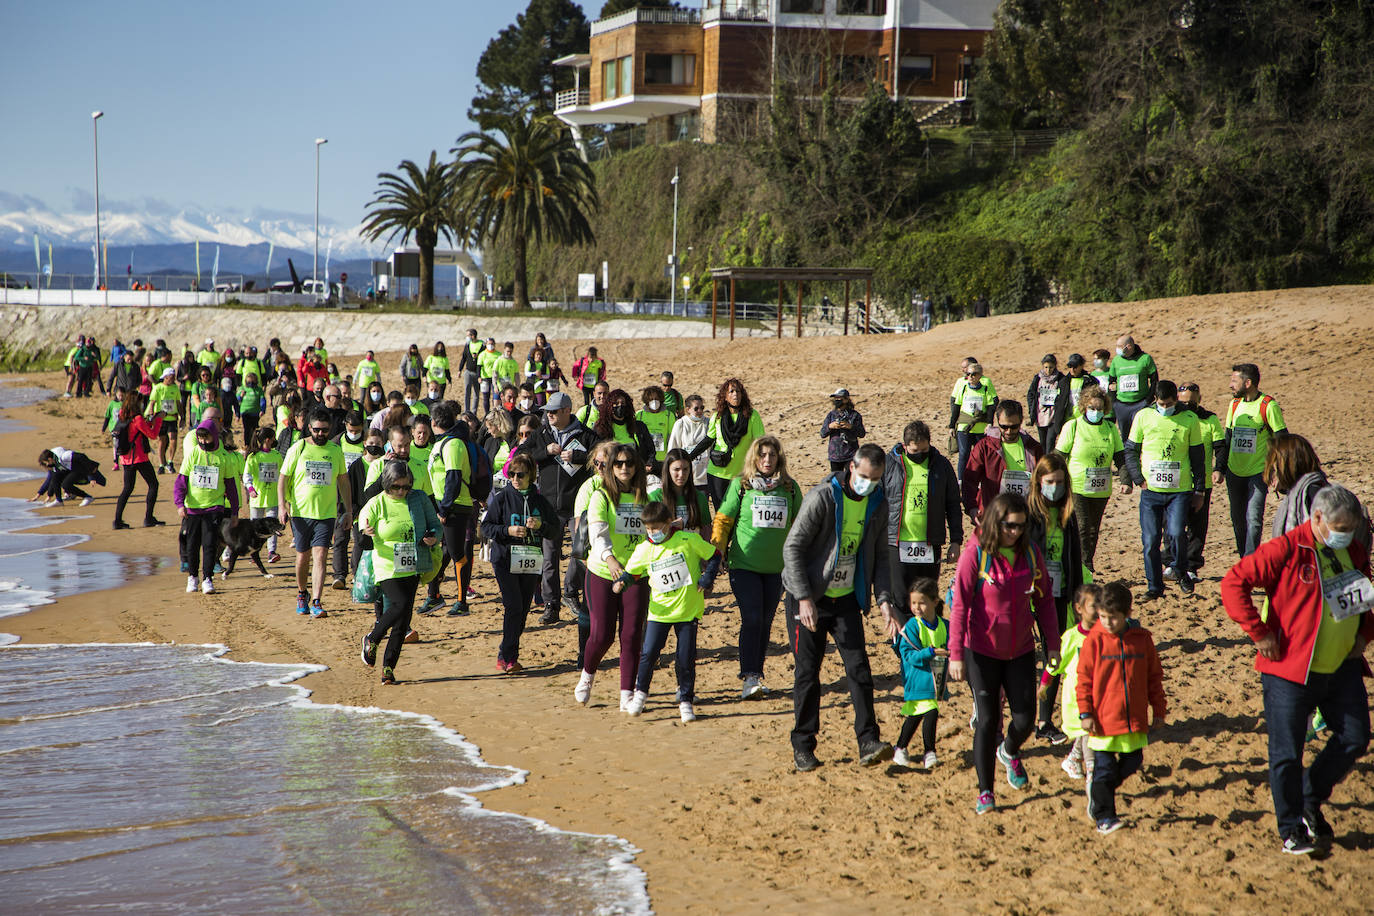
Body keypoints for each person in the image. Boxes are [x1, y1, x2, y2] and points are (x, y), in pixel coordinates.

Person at [1221, 484, 1373, 855]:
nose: (1346, 533)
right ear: (1317, 518)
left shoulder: (1352, 549)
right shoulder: (1286, 549)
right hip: (1290, 672)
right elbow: (1233, 583)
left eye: (1352, 527)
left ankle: (1310, 795)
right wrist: (1258, 633)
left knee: (1355, 737)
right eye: (1340, 525)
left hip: (1342, 667)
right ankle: (1290, 828)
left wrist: (1365, 635)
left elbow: (1363, 594)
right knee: (1287, 753)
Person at [782, 442, 897, 772]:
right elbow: (792, 549)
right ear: (851, 468)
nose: (868, 484)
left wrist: (885, 601)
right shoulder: (822, 498)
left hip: (845, 598)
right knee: (808, 674)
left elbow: (880, 558)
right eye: (863, 476)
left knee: (859, 670)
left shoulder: (877, 503)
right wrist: (804, 598)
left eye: (875, 479)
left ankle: (868, 740)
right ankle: (803, 745)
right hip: (809, 599)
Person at [948, 492, 1059, 814]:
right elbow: (959, 607)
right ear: (997, 522)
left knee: (1024, 719)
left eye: (1022, 526)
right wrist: (955, 653)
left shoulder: (1030, 553)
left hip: (1021, 649)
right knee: (987, 720)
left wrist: (1052, 643)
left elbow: (1045, 601)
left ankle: (1009, 751)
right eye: (1010, 525)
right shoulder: (975, 554)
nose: (1015, 531)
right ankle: (986, 792)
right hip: (980, 650)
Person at [710, 436, 803, 699]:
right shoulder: (741, 486)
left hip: (776, 569)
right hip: (744, 566)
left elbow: (801, 527)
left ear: (779, 459)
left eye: (772, 455)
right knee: (751, 618)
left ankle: (757, 675)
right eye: (762, 455)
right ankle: (749, 676)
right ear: (754, 457)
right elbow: (723, 521)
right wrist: (717, 554)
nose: (767, 460)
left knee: (764, 621)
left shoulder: (790, 488)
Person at [1077, 582, 1167, 834]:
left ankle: (1099, 795)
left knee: (1133, 760)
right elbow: (1083, 680)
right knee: (1104, 770)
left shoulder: (1142, 640)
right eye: (1102, 617)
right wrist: (1085, 713)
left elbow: (1154, 678)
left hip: (1133, 721)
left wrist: (1159, 710)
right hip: (1103, 722)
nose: (1106, 623)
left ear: (1127, 614)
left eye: (1112, 618)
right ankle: (1105, 816)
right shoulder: (1094, 641)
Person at [620, 500, 718, 722]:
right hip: (659, 613)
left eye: (656, 528)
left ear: (668, 523)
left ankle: (685, 701)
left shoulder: (688, 540)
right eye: (648, 528)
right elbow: (631, 573)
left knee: (685, 658)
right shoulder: (644, 549)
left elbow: (715, 555)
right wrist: (621, 583)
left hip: (688, 610)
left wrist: (707, 577)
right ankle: (640, 696)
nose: (652, 533)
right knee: (648, 654)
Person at [576, 442, 655, 711]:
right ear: (611, 467)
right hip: (602, 571)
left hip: (635, 574)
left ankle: (626, 694)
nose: (624, 468)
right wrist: (609, 559)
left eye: (629, 463)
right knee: (602, 635)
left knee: (632, 635)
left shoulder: (645, 498)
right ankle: (587, 675)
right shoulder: (601, 496)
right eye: (618, 463)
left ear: (636, 467)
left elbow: (654, 532)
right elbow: (597, 533)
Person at [359, 460, 441, 686]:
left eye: (406, 487)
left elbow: (436, 524)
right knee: (400, 604)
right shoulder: (377, 503)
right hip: (386, 565)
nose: (401, 491)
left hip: (413, 563)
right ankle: (373, 638)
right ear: (386, 484)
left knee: (404, 619)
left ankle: (388, 668)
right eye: (396, 487)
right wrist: (366, 530)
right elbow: (361, 526)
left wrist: (434, 536)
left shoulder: (419, 499)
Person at [1124, 380, 1205, 599]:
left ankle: (1180, 570)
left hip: (1179, 491)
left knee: (1177, 532)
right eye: (1161, 403)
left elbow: (1198, 457)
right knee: (1150, 541)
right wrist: (1137, 477)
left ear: (1175, 400)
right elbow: (1130, 450)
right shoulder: (1143, 416)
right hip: (1151, 492)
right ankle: (1154, 586)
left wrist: (1199, 491)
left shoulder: (1190, 419)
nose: (1165, 407)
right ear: (1155, 400)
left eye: (1169, 403)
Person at [1028, 453, 1087, 744]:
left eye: (1061, 482)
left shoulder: (1068, 514)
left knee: (1055, 656)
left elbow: (1074, 559)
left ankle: (1043, 721)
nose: (1056, 487)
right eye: (1050, 482)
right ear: (1039, 482)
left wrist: (1076, 599)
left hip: (1060, 595)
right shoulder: (1028, 514)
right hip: (1030, 597)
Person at [481, 452, 559, 672]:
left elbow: (554, 531)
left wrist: (541, 526)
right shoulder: (503, 497)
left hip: (530, 560)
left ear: (531, 476)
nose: (515, 478)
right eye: (512, 474)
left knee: (523, 609)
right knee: (513, 605)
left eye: (520, 475)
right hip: (505, 559)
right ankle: (507, 658)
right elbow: (486, 527)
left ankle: (507, 655)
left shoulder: (540, 501)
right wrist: (508, 530)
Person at [531, 391, 597, 626]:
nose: (548, 415)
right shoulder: (542, 434)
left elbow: (600, 457)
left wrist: (579, 456)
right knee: (549, 559)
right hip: (549, 507)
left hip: (578, 506)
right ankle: (551, 605)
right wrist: (544, 452)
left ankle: (570, 592)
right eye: (547, 411)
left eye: (553, 411)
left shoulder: (587, 435)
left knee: (580, 553)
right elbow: (522, 454)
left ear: (567, 411)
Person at [278, 408, 353, 618]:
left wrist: (348, 510)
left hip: (326, 514)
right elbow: (283, 478)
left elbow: (343, 480)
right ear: (309, 428)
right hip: (301, 513)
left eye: (325, 430)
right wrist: (282, 506)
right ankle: (302, 593)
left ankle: (317, 601)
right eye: (317, 430)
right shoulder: (298, 448)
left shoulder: (335, 451)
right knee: (303, 556)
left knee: (320, 555)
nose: (321, 434)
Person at [883, 421, 962, 612]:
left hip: (929, 543)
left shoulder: (941, 465)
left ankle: (926, 639)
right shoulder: (889, 465)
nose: (920, 455)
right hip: (897, 543)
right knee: (901, 599)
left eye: (924, 450)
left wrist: (956, 541)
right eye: (915, 451)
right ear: (905, 447)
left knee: (927, 598)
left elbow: (952, 504)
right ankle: (906, 640)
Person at [1053, 386, 1129, 571]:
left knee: (1093, 531)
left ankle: (1084, 564)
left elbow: (1120, 459)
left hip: (1101, 489)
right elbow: (1058, 455)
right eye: (1092, 408)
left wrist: (1126, 481)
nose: (1096, 412)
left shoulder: (1110, 429)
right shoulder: (1073, 426)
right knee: (1082, 527)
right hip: (1077, 487)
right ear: (1084, 407)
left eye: (1100, 409)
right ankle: (1085, 566)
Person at [1219, 363, 1288, 558]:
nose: (1230, 385)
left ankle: (1250, 562)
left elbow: (1282, 439)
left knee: (1254, 519)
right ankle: (1245, 560)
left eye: (1234, 381)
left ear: (1248, 382)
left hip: (1258, 473)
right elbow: (1228, 438)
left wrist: (1279, 471)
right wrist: (1220, 468)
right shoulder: (1234, 405)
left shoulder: (1268, 405)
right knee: (1238, 521)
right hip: (1234, 472)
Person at [1038, 582, 1104, 780]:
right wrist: (1044, 684)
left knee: (1091, 731)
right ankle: (1092, 772)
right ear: (1079, 608)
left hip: (1099, 695)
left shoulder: (1105, 635)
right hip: (1076, 699)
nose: (1099, 610)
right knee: (1088, 733)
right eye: (1094, 605)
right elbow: (1054, 664)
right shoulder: (1070, 637)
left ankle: (1074, 759)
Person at [1166, 382, 1225, 582]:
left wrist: (1219, 469)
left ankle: (1191, 566)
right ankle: (1171, 563)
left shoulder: (1209, 419)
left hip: (1201, 482)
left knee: (1197, 528)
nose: (1187, 405)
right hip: (1177, 481)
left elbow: (1220, 446)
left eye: (1191, 402)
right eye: (1183, 402)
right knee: (1171, 525)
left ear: (1199, 399)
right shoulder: (1175, 417)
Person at [174, 418, 240, 595]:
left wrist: (235, 511)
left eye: (207, 438)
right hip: (193, 508)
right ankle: (193, 577)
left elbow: (231, 486)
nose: (203, 442)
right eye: (200, 438)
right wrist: (180, 504)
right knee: (192, 544)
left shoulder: (224, 457)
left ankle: (208, 579)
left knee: (210, 544)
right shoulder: (193, 454)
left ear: (214, 436)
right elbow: (181, 481)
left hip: (214, 507)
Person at [891, 578, 948, 768]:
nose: (916, 607)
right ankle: (926, 752)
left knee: (918, 715)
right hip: (917, 680)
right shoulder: (912, 627)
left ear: (935, 602)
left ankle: (902, 748)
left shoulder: (944, 625)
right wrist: (930, 652)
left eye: (921, 602)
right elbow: (909, 656)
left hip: (935, 680)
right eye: (913, 603)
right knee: (927, 712)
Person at [961, 400, 1043, 524]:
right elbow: (969, 480)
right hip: (994, 517)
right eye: (1004, 427)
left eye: (1014, 426)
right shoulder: (985, 447)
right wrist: (972, 508)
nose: (1009, 431)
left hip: (1025, 517)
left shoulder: (1034, 448)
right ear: (997, 422)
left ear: (1021, 421)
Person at [698, 378, 765, 511]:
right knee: (721, 514)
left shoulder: (752, 416)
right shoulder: (717, 416)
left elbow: (760, 443)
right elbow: (708, 439)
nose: (735, 394)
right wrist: (688, 456)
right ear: (725, 396)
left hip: (741, 475)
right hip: (717, 473)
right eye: (731, 391)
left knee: (740, 513)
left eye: (738, 391)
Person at [111, 392, 165, 529]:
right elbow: (152, 435)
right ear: (137, 403)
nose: (143, 404)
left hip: (126, 458)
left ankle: (117, 521)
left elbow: (136, 429)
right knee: (153, 485)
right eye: (141, 401)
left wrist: (149, 421)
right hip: (139, 457)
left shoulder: (123, 415)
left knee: (127, 489)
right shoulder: (138, 418)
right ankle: (148, 518)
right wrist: (158, 420)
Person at [1266, 435, 1330, 539]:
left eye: (1273, 468)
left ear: (1289, 465)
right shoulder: (1294, 494)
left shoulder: (1313, 495)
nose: (1269, 473)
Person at [948, 361, 997, 482]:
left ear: (980, 375)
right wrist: (951, 425)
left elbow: (991, 406)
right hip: (964, 427)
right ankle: (961, 480)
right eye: (968, 374)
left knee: (981, 455)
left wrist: (990, 423)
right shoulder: (963, 387)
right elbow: (956, 407)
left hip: (981, 427)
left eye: (974, 374)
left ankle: (981, 480)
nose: (970, 377)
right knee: (964, 453)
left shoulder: (985, 389)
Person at [243, 427, 283, 563]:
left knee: (273, 526)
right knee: (256, 527)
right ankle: (255, 552)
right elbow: (246, 476)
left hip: (272, 497)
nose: (274, 441)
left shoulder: (277, 456)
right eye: (273, 438)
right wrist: (250, 489)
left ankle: (272, 551)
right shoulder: (253, 457)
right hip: (257, 499)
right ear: (268, 440)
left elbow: (282, 475)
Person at [1107, 335, 1158, 440]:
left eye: (1120, 346)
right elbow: (1111, 381)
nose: (1117, 349)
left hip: (1140, 403)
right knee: (1125, 436)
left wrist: (1148, 399)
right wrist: (1114, 402)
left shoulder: (1145, 359)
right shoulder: (1116, 361)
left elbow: (1154, 380)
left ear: (1129, 346)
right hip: (1121, 405)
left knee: (1140, 434)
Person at [592, 389, 655, 466]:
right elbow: (595, 453)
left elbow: (651, 450)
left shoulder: (639, 426)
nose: (620, 406)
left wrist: (648, 464)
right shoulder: (601, 429)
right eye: (616, 403)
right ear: (609, 406)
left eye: (623, 403)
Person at [1025, 354, 1073, 452]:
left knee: (1050, 442)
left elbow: (1064, 396)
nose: (1048, 370)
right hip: (1040, 415)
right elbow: (1031, 394)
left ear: (1055, 366)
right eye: (1046, 367)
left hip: (1053, 416)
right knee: (1042, 443)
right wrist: (1032, 410)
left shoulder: (1061, 379)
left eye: (1051, 367)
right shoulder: (1038, 378)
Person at [35, 447, 106, 507]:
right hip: (73, 470)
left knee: (65, 484)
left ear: (50, 459)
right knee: (55, 477)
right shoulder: (55, 463)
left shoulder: (64, 456)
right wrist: (49, 495)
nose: (47, 465)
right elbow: (52, 479)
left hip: (83, 471)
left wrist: (91, 477)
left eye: (46, 463)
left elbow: (82, 457)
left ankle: (87, 497)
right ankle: (58, 501)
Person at [666, 394, 710, 486]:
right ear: (688, 409)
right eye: (696, 408)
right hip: (685, 476)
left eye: (702, 408)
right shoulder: (681, 424)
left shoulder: (708, 423)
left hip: (704, 476)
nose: (700, 411)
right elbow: (673, 449)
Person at [820, 388, 865, 475]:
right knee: (836, 481)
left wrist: (851, 427)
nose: (837, 400)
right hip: (835, 456)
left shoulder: (855, 415)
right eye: (835, 398)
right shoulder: (831, 415)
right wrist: (830, 426)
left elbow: (862, 433)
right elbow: (822, 433)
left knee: (851, 481)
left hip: (851, 454)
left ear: (846, 399)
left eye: (839, 398)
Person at [637, 386, 675, 474]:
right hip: (645, 461)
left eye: (657, 399)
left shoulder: (669, 415)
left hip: (662, 459)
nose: (654, 401)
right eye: (651, 399)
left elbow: (672, 438)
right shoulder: (640, 415)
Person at [149, 367, 181, 473]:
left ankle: (170, 461)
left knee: (173, 439)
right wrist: (151, 415)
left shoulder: (175, 388)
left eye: (174, 377)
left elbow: (178, 403)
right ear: (165, 377)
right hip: (161, 419)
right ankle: (162, 464)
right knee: (162, 441)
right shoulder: (158, 388)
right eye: (171, 377)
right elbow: (152, 402)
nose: (173, 379)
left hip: (172, 418)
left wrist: (182, 416)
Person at [459, 330, 483, 414]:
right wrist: (460, 369)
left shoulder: (482, 344)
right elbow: (464, 357)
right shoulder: (468, 344)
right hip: (468, 371)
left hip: (477, 372)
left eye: (468, 335)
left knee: (476, 393)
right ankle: (467, 411)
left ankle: (474, 412)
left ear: (473, 336)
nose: (467, 337)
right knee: (467, 392)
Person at [477, 337, 500, 414]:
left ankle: (495, 412)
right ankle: (486, 413)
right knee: (486, 397)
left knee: (495, 397)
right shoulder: (482, 354)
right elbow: (479, 366)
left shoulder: (498, 354)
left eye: (492, 344)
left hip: (495, 378)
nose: (490, 345)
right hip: (485, 378)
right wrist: (479, 376)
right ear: (486, 344)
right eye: (489, 344)